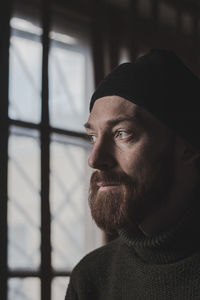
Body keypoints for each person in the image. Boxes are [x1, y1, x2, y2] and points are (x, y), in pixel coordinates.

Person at [65, 49, 200, 299]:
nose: (94, 159)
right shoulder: (91, 279)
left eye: (122, 133)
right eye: (93, 137)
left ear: (188, 147)